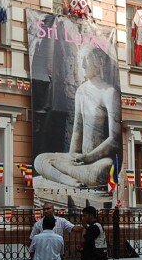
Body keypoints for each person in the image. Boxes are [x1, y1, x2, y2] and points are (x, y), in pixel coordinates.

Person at [34, 48, 120, 188]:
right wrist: (72, 155)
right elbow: (77, 130)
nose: (83, 65)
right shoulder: (81, 91)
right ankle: (66, 180)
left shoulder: (109, 93)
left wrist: (88, 158)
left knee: (103, 171)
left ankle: (62, 173)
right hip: (80, 159)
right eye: (82, 61)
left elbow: (114, 139)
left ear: (99, 62)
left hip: (97, 160)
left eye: (86, 60)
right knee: (39, 159)